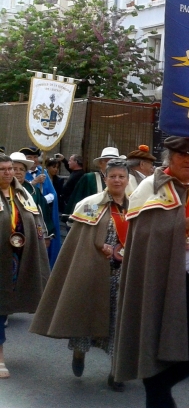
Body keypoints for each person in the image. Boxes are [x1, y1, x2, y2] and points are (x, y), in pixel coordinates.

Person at [113, 136, 189, 408]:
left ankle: (160, 387)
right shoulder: (150, 186)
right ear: (169, 158)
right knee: (155, 339)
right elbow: (144, 236)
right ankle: (157, 394)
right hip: (159, 279)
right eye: (181, 154)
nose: (188, 159)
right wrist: (184, 223)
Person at [30, 159, 130, 392]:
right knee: (87, 316)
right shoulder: (90, 204)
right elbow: (79, 241)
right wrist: (99, 246)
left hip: (122, 273)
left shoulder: (134, 206)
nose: (117, 180)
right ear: (105, 178)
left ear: (127, 180)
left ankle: (117, 372)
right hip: (94, 270)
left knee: (120, 323)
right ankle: (79, 353)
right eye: (112, 176)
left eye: (121, 177)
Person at [0, 154, 51, 379]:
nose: (8, 173)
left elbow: (35, 222)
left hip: (17, 258)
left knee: (4, 307)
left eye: (10, 169)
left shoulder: (22, 194)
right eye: (2, 169)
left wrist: (42, 238)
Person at [20, 146, 61, 267]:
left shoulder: (43, 172)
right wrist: (34, 183)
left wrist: (43, 199)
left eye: (35, 157)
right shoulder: (20, 173)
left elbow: (53, 193)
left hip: (43, 214)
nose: (34, 160)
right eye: (30, 157)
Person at [65, 147, 125, 214]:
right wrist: (91, 216)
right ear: (100, 163)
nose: (112, 165)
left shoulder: (123, 180)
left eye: (115, 162)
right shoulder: (90, 178)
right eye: (107, 162)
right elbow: (83, 202)